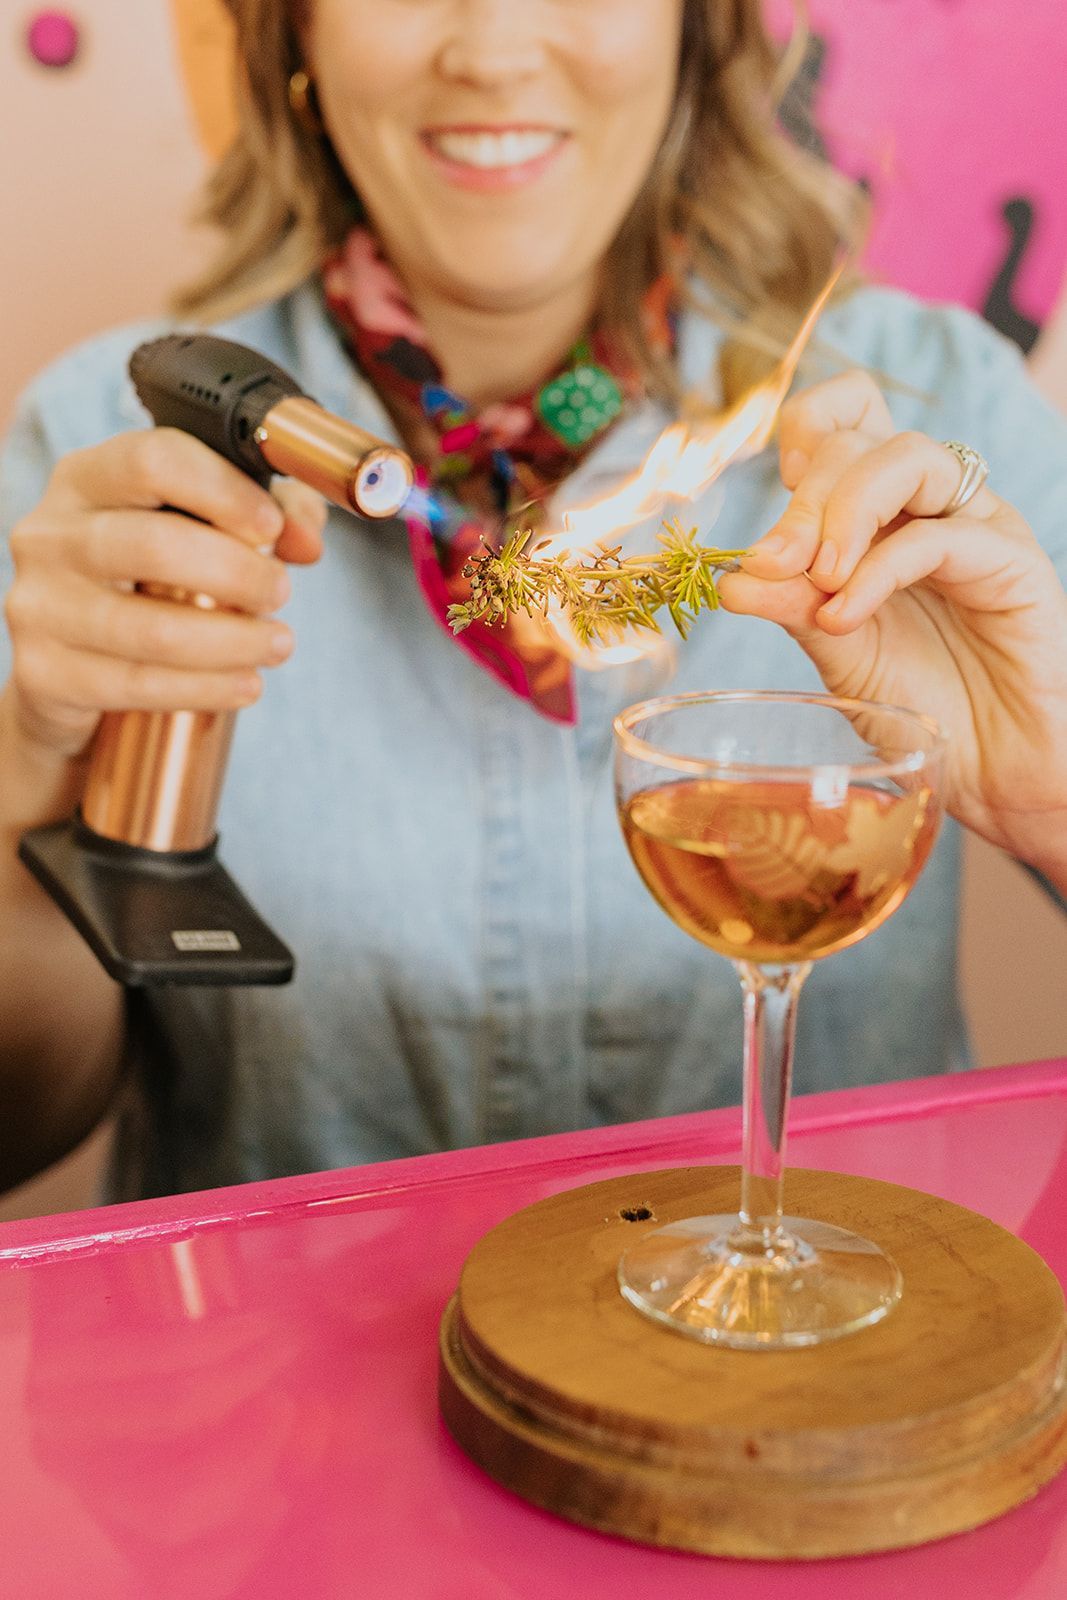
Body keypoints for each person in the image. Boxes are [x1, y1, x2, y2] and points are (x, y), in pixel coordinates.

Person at [1, 0, 1066, 1201]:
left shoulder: (934, 415)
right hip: (271, 1379)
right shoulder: (109, 458)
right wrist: (22, 780)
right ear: (289, 30)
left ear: (695, 26)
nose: (493, 48)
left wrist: (1050, 795)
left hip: (849, 1377)